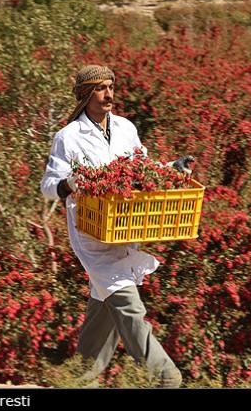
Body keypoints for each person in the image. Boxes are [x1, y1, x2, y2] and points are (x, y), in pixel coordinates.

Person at [40, 65, 194, 388]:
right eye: (100, 89)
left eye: (111, 87)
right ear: (85, 95)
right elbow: (48, 184)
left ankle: (76, 380)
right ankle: (166, 377)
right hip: (92, 240)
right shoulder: (67, 137)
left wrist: (173, 169)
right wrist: (70, 184)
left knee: (103, 313)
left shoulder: (126, 128)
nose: (109, 94)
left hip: (124, 231)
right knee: (128, 306)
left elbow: (142, 170)